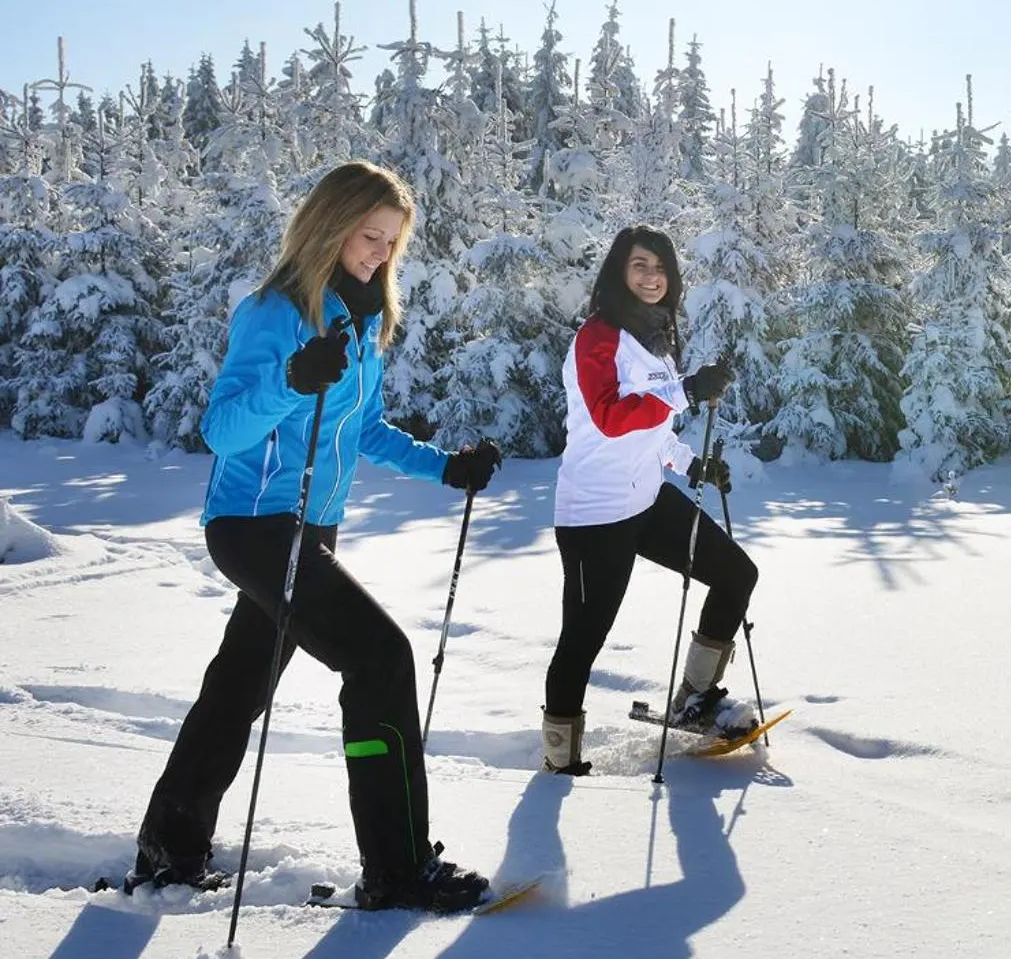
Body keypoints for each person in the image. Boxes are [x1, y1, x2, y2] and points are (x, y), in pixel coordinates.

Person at [130, 162, 504, 912]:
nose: (379, 253)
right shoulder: (274, 313)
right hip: (255, 524)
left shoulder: (363, 324)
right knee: (381, 660)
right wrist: (292, 380)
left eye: (391, 243)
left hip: (312, 527)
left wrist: (444, 468)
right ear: (330, 226)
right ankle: (397, 868)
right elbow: (223, 429)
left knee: (238, 686)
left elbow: (362, 429)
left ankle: (169, 849)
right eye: (370, 236)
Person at [543, 224, 757, 775]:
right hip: (595, 513)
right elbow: (614, 417)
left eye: (660, 267)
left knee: (736, 574)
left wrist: (692, 463)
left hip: (646, 499)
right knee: (585, 636)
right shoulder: (598, 337)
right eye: (639, 265)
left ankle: (695, 700)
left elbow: (652, 430)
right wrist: (685, 391)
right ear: (619, 271)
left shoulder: (655, 337)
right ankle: (559, 756)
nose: (651, 276)